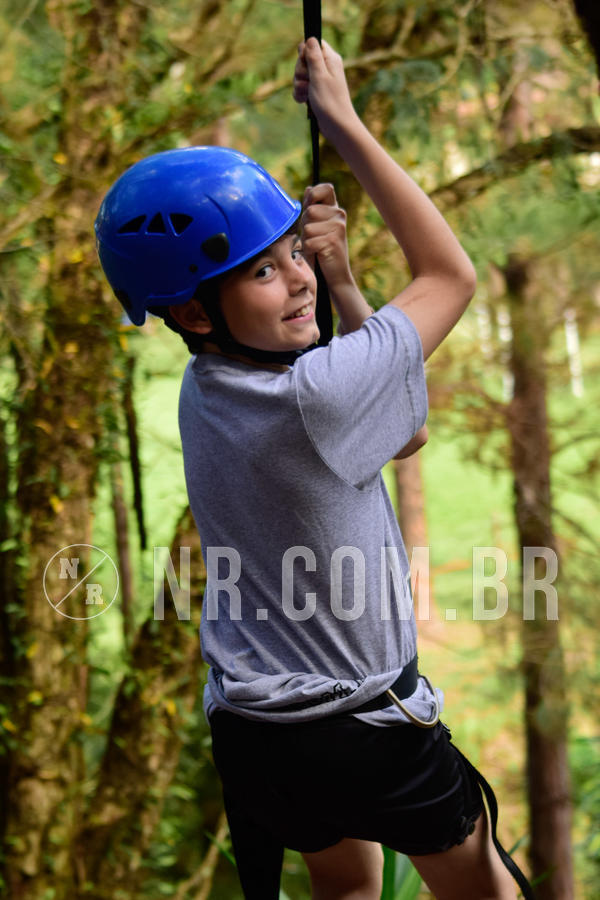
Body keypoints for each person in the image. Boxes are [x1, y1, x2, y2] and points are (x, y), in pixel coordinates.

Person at [95, 37, 523, 900]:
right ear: (191, 308)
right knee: (488, 889)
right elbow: (451, 274)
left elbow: (392, 433)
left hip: (261, 732)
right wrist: (344, 122)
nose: (296, 280)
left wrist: (343, 278)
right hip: (367, 728)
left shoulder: (207, 382)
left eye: (294, 251)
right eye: (261, 269)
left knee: (347, 887)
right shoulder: (313, 397)